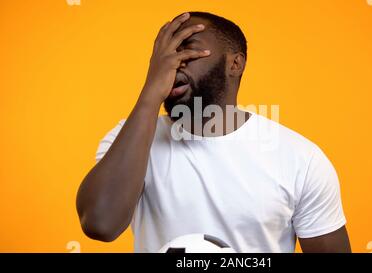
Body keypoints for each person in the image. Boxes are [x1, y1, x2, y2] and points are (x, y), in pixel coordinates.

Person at [76, 11, 351, 253]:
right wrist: (150, 94)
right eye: (165, 55)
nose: (173, 63)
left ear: (235, 64)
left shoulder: (301, 158)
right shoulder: (130, 140)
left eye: (187, 50)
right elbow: (100, 224)